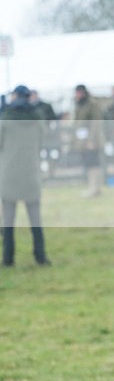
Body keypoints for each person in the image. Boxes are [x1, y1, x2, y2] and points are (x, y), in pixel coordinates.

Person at [0, 85, 50, 266]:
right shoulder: (37, 119)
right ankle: (40, 256)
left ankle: (7, 258)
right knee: (35, 218)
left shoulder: (5, 119)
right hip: (31, 173)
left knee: (8, 220)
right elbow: (41, 143)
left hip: (9, 174)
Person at [71, 84, 105, 197]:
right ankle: (93, 188)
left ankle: (95, 188)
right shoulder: (79, 105)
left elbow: (96, 123)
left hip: (91, 140)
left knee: (93, 163)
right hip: (82, 140)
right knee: (89, 164)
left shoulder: (92, 104)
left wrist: (91, 140)